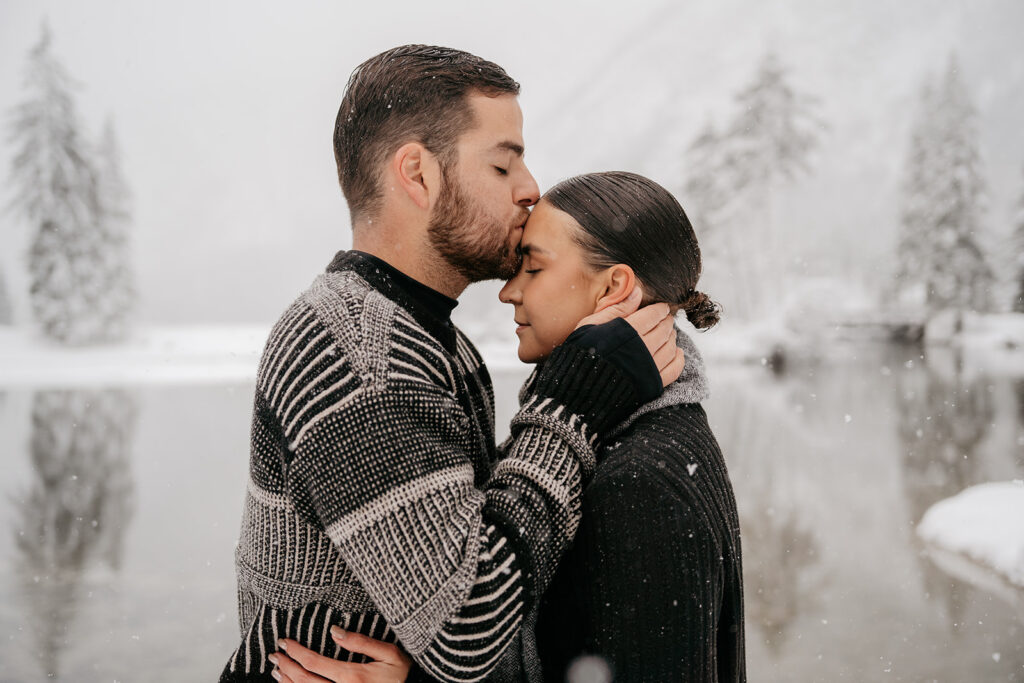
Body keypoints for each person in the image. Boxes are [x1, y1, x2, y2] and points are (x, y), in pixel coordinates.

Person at [219, 46, 685, 683]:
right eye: (503, 165)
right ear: (418, 174)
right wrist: (574, 407)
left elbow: (480, 574)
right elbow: (467, 629)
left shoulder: (432, 340)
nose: (530, 190)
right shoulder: (357, 352)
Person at [274, 172, 746, 683]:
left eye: (533, 268)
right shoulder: (624, 440)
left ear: (614, 287)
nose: (508, 291)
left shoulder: (640, 482)